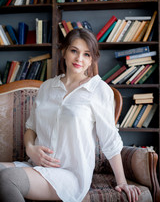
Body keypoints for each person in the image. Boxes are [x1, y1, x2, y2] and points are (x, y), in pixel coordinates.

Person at [0, 28, 141, 202]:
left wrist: (122, 182)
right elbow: (31, 128)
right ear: (64, 52)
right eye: (74, 51)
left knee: (8, 179)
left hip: (69, 175)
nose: (79, 59)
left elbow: (109, 140)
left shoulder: (98, 90)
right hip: (35, 166)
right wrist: (30, 149)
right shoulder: (46, 87)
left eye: (86, 54)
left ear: (92, 60)